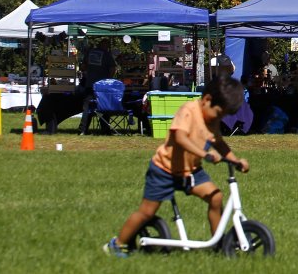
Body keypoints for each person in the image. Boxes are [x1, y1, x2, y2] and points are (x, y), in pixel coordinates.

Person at [104, 76, 249, 257]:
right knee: (147, 212)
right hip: (164, 170)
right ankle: (117, 243)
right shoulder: (188, 110)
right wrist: (204, 154)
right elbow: (180, 138)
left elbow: (219, 143)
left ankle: (218, 243)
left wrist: (236, 160)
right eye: (219, 113)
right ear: (207, 100)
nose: (219, 119)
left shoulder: (212, 121)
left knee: (216, 198)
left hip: (191, 172)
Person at [79, 39, 117, 135]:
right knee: (104, 107)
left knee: (87, 108)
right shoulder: (107, 54)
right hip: (102, 86)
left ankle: (83, 130)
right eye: (108, 45)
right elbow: (113, 68)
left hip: (90, 84)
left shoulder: (89, 53)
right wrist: (108, 79)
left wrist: (89, 71)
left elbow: (83, 67)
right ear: (105, 46)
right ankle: (105, 130)